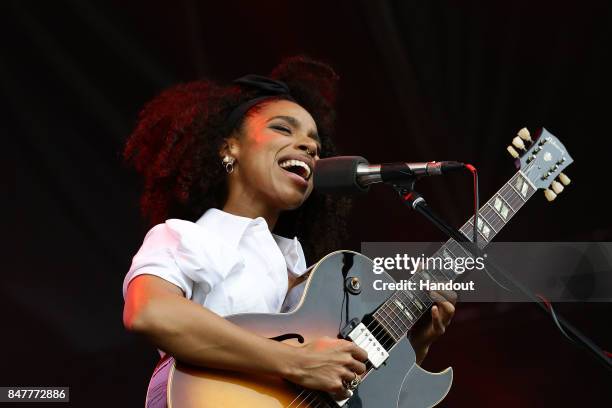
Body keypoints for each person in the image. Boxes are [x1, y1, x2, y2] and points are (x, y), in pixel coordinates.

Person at [122, 56, 456, 406]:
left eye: (315, 143)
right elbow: (150, 311)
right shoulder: (188, 238)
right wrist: (298, 362)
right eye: (283, 128)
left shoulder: (308, 278)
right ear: (228, 147)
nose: (310, 147)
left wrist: (414, 346)